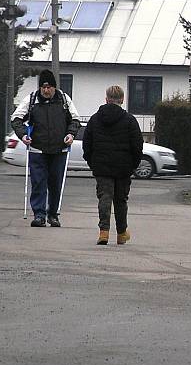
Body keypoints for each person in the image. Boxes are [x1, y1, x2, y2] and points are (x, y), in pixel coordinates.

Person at [11, 69, 81, 228]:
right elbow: (16, 119)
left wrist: (70, 134)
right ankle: (39, 215)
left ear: (54, 87)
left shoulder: (64, 99)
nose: (46, 90)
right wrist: (23, 136)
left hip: (59, 150)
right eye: (43, 87)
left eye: (49, 87)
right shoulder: (31, 100)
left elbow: (75, 120)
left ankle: (53, 215)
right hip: (37, 149)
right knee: (38, 183)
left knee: (56, 184)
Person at [82, 85, 143, 246]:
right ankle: (122, 233)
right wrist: (133, 165)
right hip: (123, 168)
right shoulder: (130, 120)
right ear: (122, 100)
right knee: (121, 200)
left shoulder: (95, 119)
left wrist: (92, 162)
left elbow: (87, 144)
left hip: (101, 167)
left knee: (105, 198)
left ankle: (104, 232)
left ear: (106, 99)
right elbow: (137, 145)